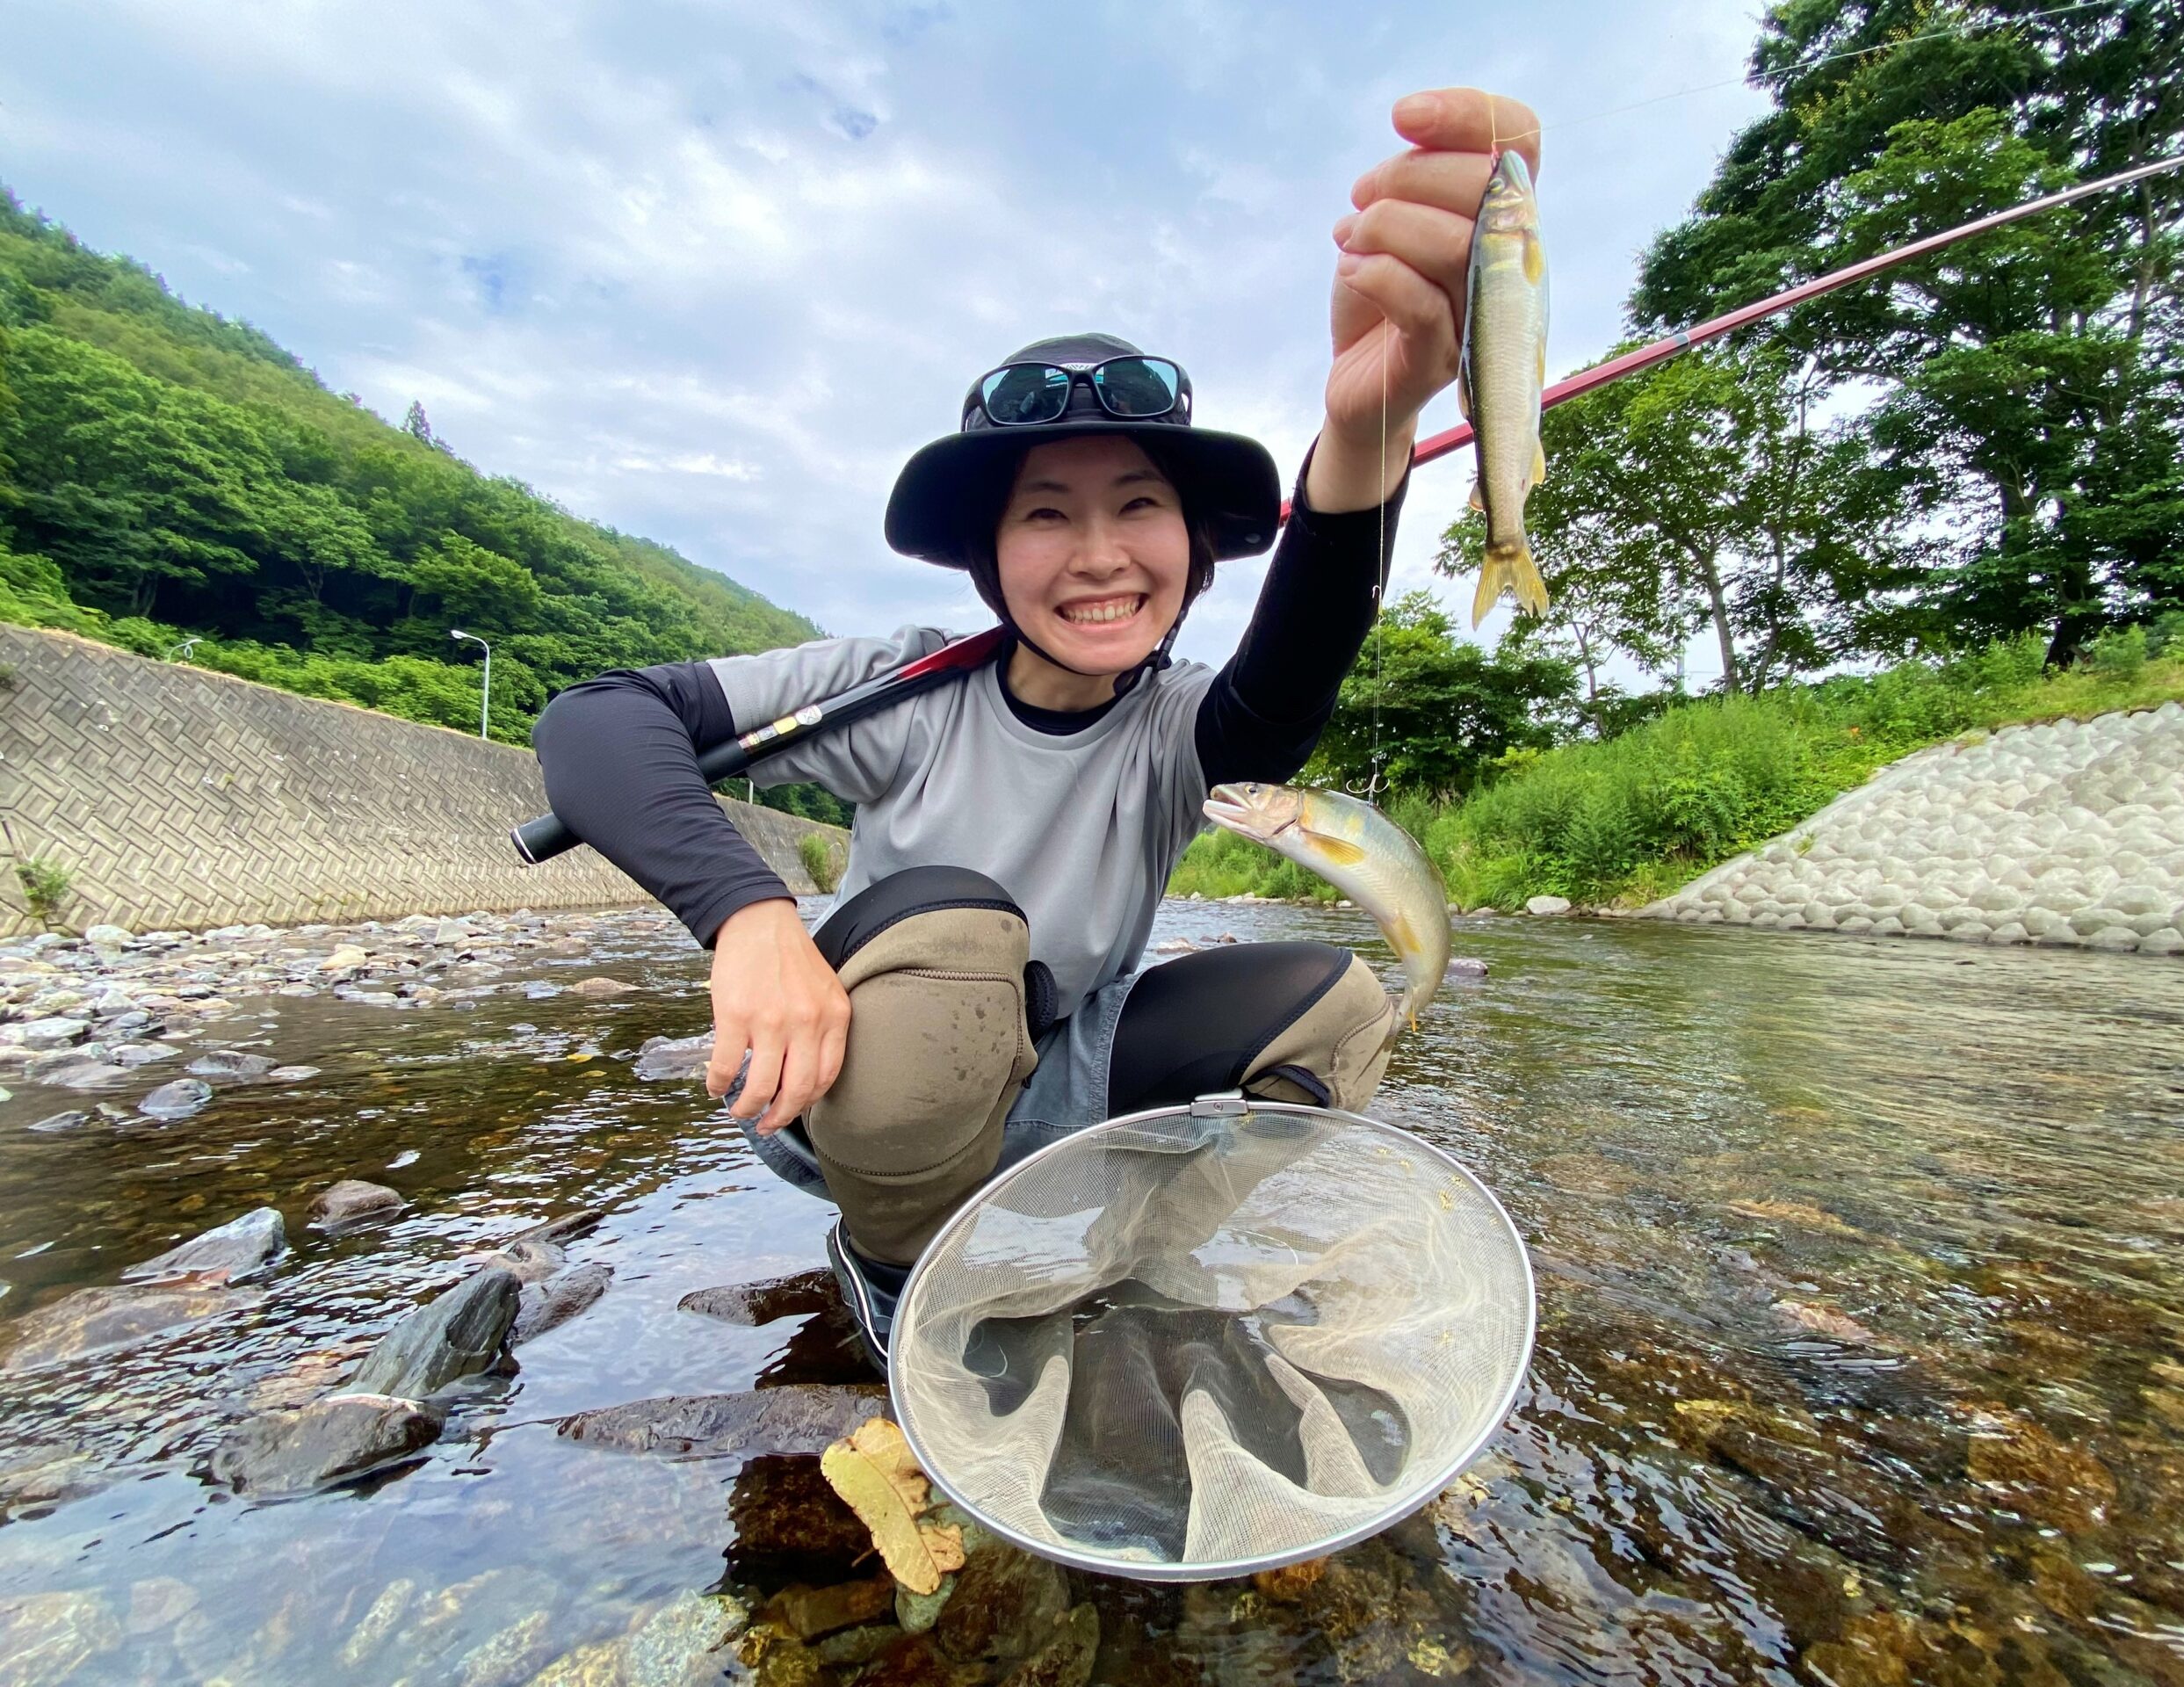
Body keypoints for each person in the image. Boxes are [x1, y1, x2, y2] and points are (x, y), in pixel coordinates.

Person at [534, 89, 1538, 1372]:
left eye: (1139, 505)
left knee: (1337, 1008)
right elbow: (602, 718)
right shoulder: (897, 685)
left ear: (1192, 547)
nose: (1102, 555)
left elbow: (1289, 678)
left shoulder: (1185, 731)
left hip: (1063, 1077)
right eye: (1046, 515)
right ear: (989, 557)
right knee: (957, 923)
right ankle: (905, 1274)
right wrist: (751, 916)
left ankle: (1115, 1249)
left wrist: (1368, 425)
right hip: (860, 1092)